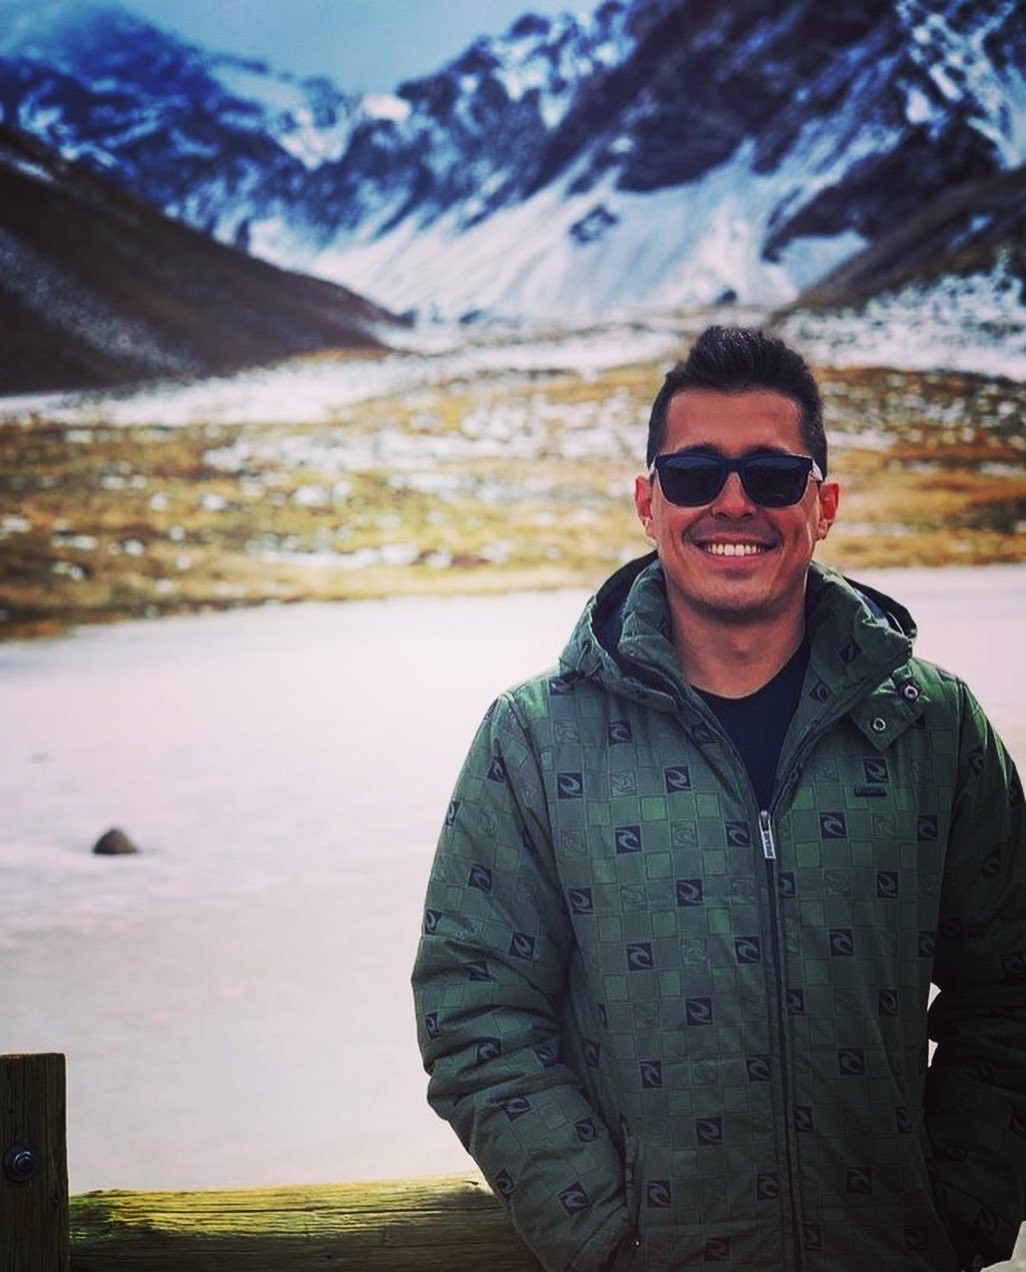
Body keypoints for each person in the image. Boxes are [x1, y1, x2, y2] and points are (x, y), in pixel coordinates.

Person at [411, 325, 1026, 1271]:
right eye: (695, 473)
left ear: (823, 505)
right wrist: (605, 1244)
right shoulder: (533, 739)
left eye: (772, 477)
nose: (732, 502)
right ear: (648, 502)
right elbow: (473, 1011)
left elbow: (1012, 986)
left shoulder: (933, 727)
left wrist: (961, 1214)